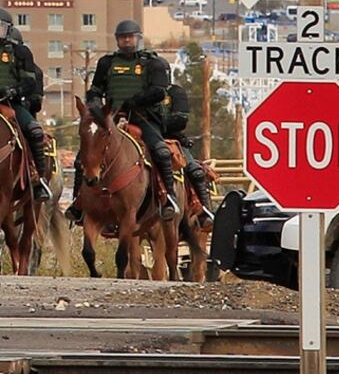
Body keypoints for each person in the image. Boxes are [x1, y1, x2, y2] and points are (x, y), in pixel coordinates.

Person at [66, 19, 177, 224]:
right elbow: (95, 89)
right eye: (122, 37)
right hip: (111, 118)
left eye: (130, 37)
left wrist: (135, 101)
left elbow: (159, 91)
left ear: (138, 38)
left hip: (143, 118)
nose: (126, 41)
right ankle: (78, 202)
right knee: (83, 157)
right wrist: (95, 104)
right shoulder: (106, 63)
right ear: (117, 40)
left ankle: (168, 197)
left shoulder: (152, 63)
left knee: (161, 151)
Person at [0, 13, 51, 202]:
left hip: (11, 103)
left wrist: (14, 90)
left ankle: (39, 179)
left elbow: (30, 81)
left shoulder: (20, 52)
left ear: (8, 29)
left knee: (35, 131)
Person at [163, 83, 213, 228]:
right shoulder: (139, 90)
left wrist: (160, 123)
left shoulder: (174, 92)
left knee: (195, 171)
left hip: (171, 138)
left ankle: (204, 212)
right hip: (140, 134)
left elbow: (180, 120)